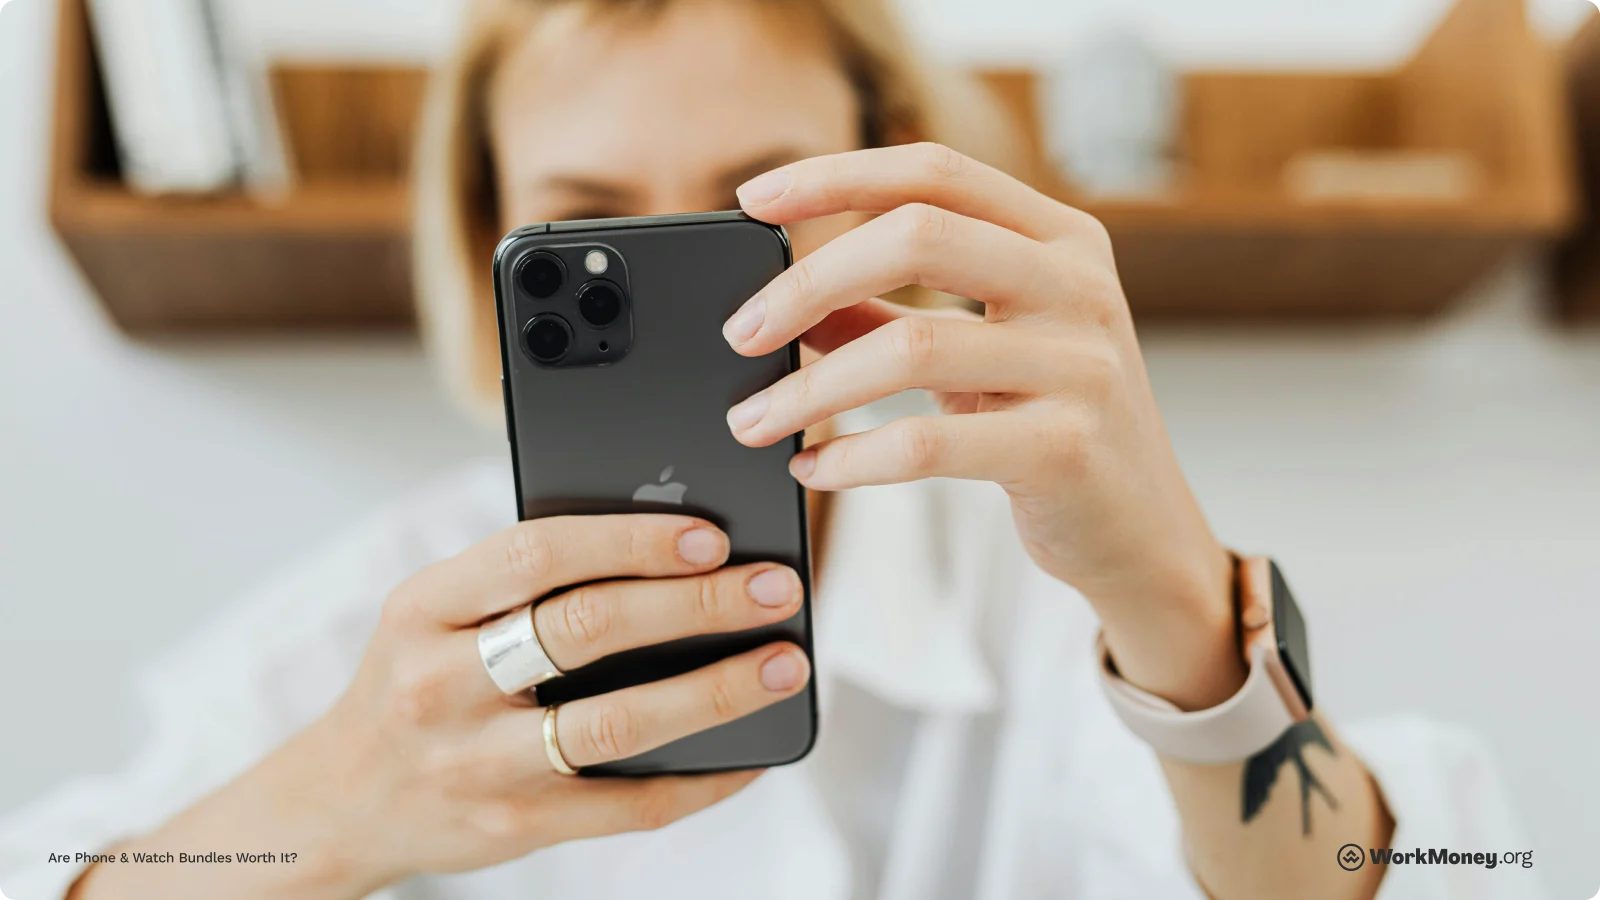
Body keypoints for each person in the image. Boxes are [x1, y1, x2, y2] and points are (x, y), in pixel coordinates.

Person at [0, 0, 1539, 898]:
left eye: (758, 207)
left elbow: (1458, 879)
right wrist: (327, 807)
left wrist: (1181, 614)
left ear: (886, 213)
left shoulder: (1054, 595)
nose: (694, 290)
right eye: (591, 215)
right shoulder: (379, 630)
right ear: (489, 238)